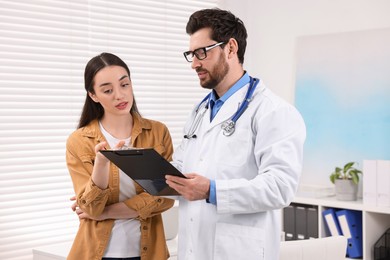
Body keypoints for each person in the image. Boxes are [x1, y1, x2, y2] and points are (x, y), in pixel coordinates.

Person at [165, 8, 306, 260]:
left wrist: (211, 190)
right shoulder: (199, 112)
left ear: (230, 48)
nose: (195, 63)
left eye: (201, 52)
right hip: (193, 249)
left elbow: (279, 188)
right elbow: (184, 167)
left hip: (239, 251)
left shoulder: (273, 111)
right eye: (191, 54)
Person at [66, 52, 174, 260]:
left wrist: (106, 212)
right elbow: (90, 207)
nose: (119, 95)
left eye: (124, 85)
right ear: (93, 95)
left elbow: (166, 196)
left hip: (149, 252)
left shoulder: (157, 133)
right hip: (97, 254)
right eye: (107, 90)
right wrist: (101, 163)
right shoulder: (79, 141)